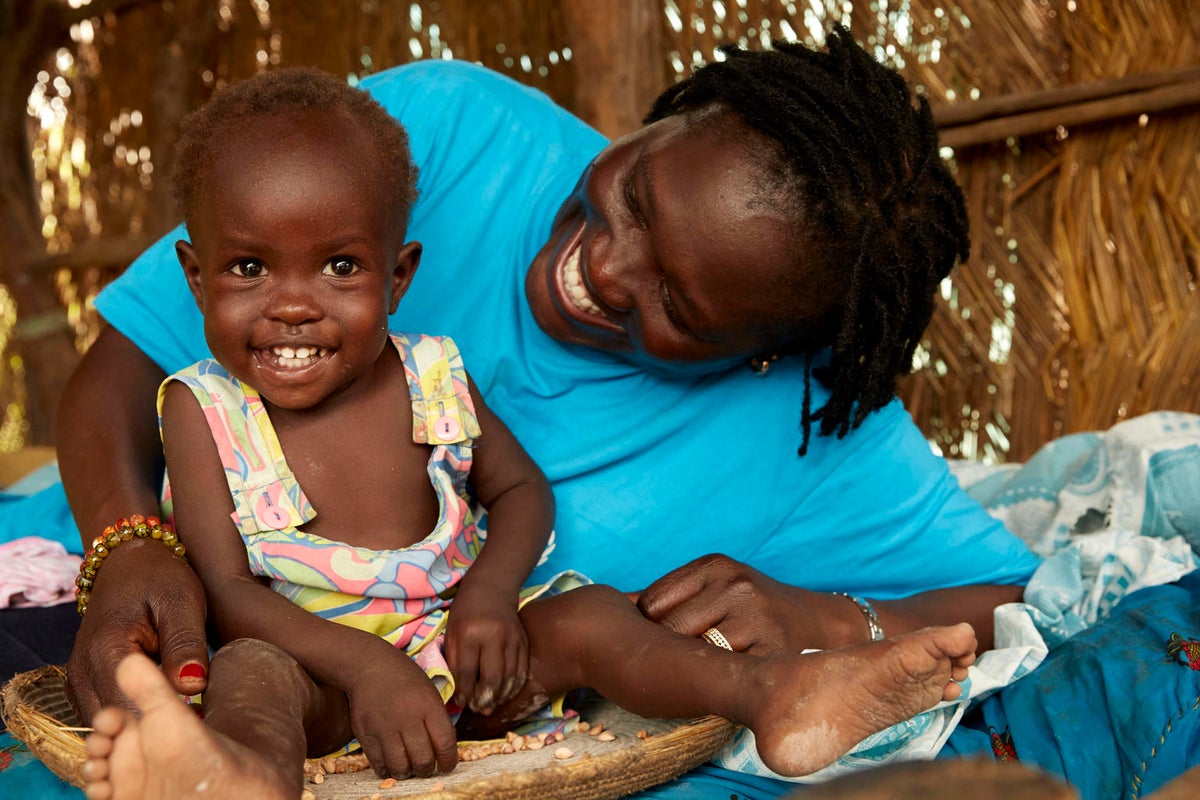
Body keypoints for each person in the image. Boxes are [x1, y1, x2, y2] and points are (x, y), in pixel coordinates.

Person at [56, 25, 1043, 800]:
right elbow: (116, 376)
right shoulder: (444, 136)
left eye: (678, 306)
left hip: (475, 666)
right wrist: (128, 542)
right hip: (278, 640)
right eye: (639, 195)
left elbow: (1013, 596)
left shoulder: (818, 431)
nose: (599, 269)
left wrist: (817, 614)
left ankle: (782, 695)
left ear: (773, 353)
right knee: (251, 682)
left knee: (596, 619)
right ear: (667, 118)